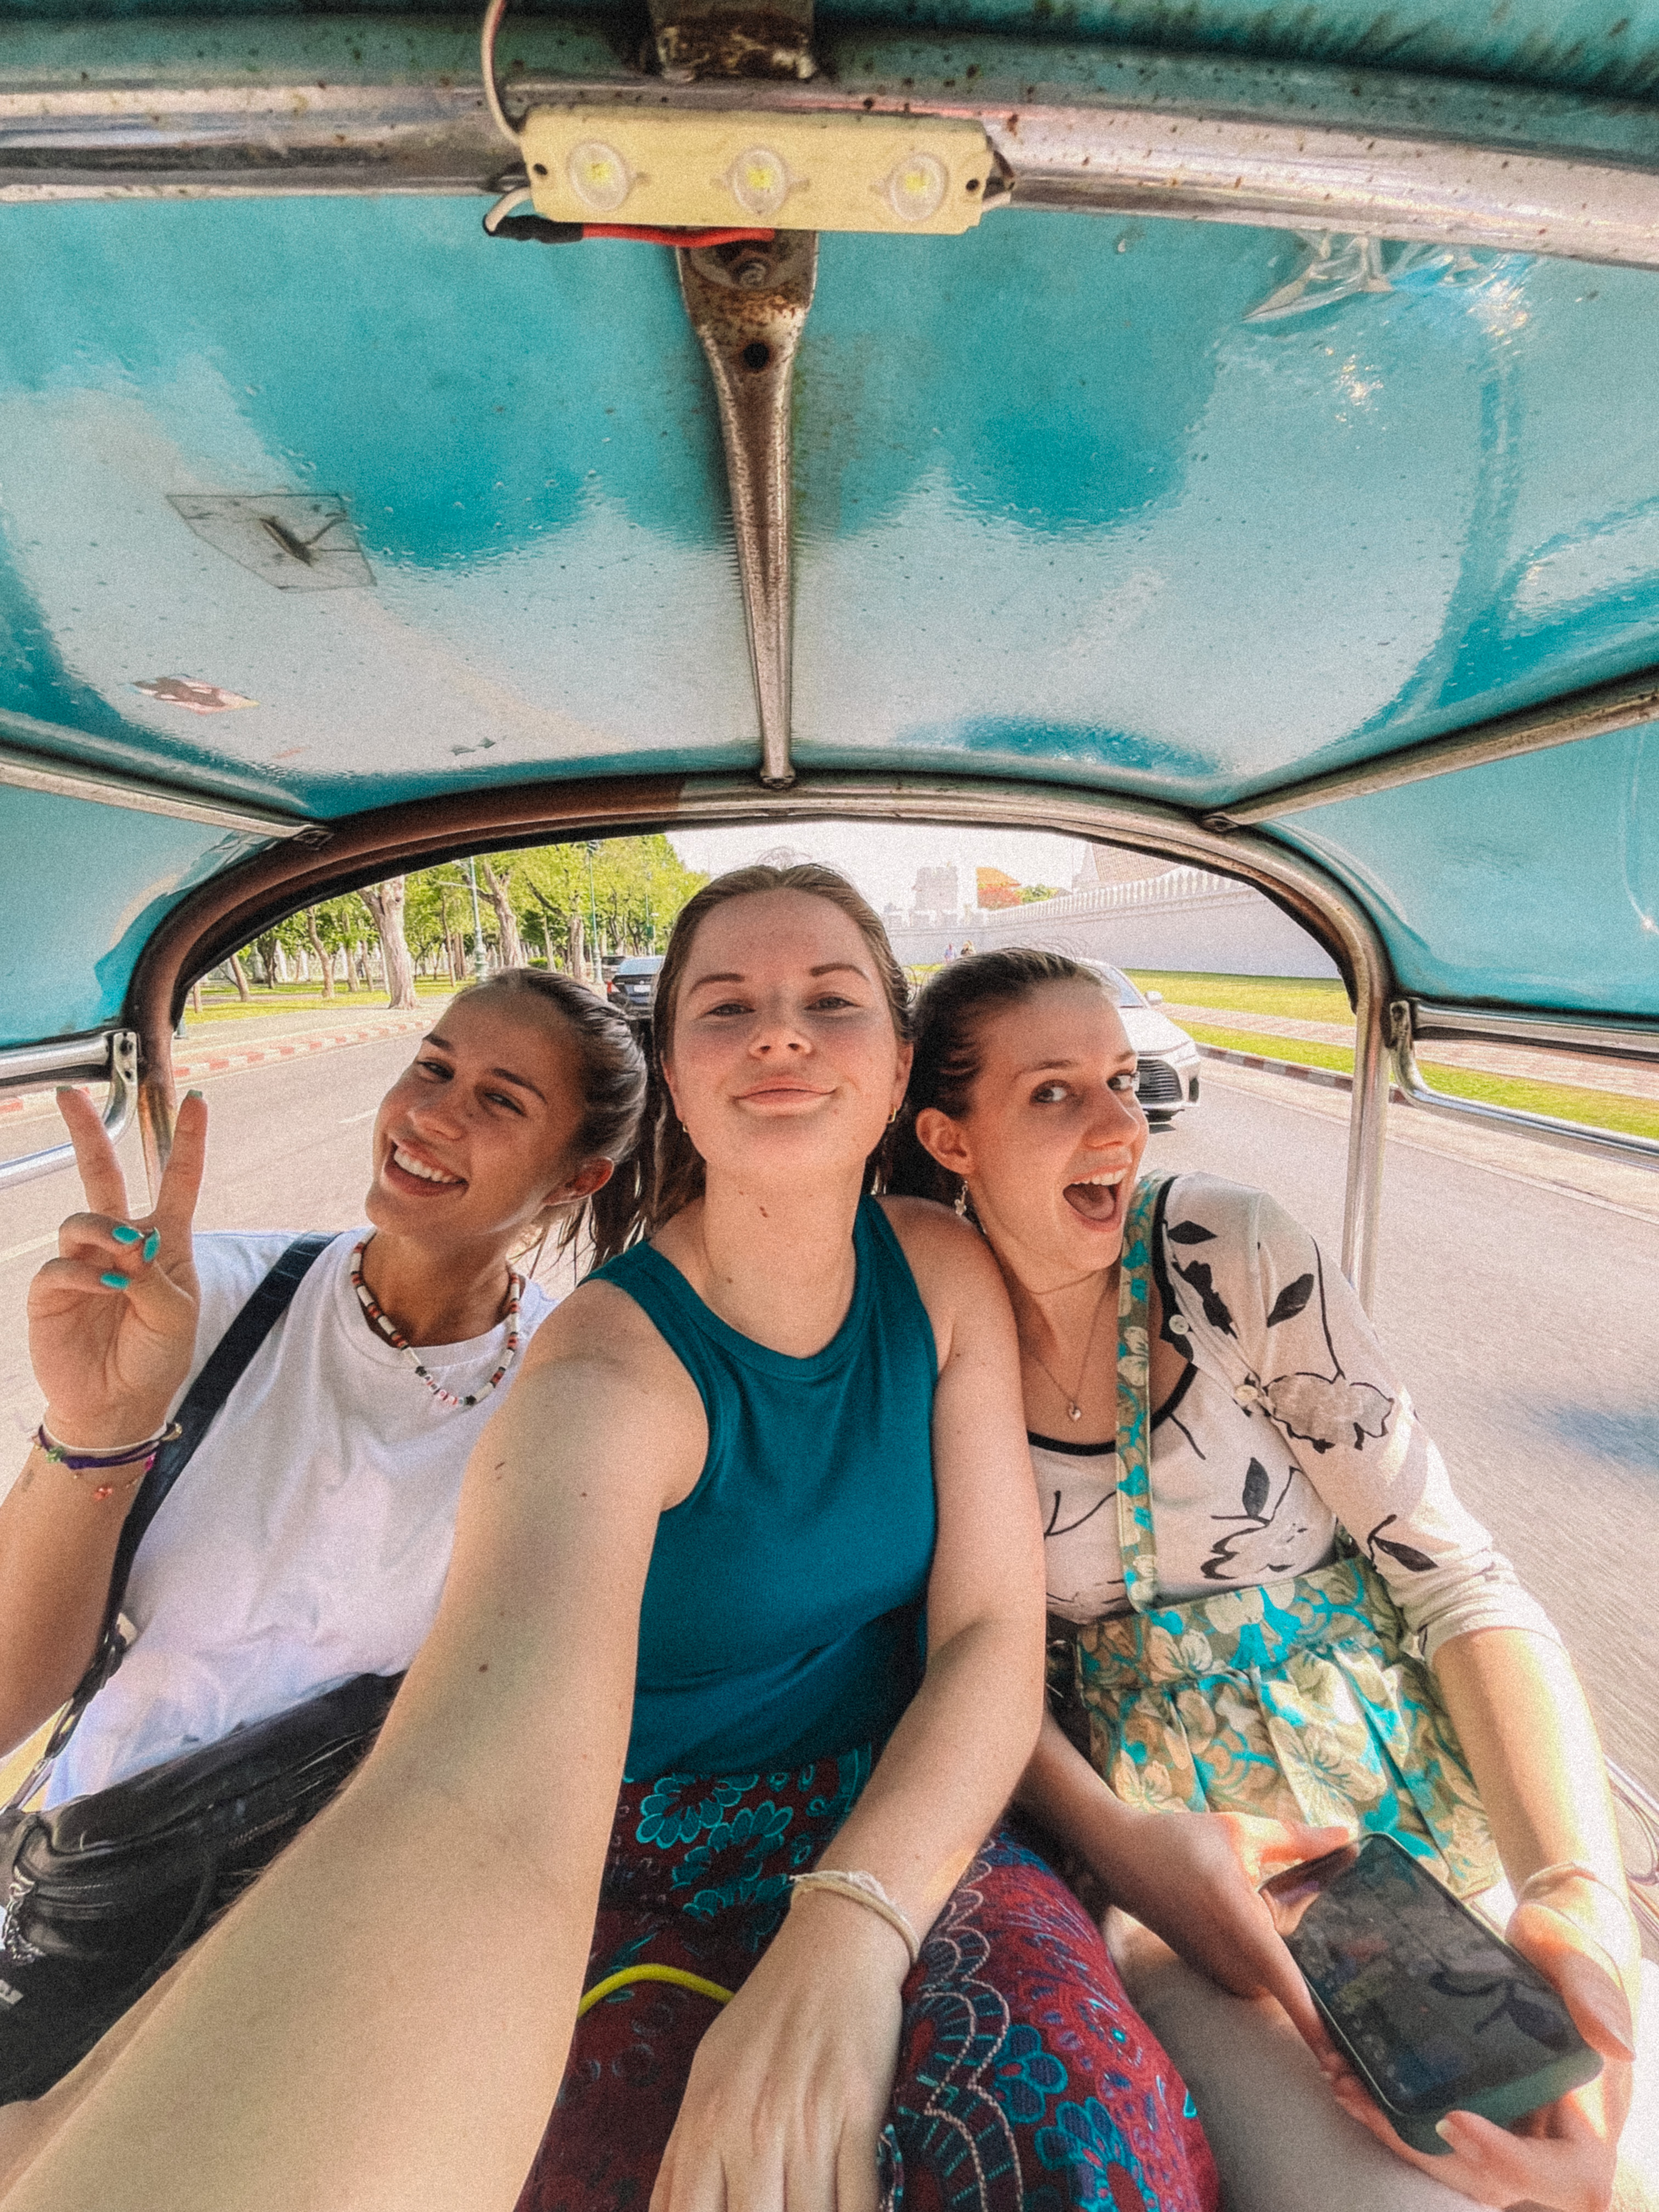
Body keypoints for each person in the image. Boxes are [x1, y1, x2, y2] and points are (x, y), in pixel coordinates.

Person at [0, 869, 1218, 2212]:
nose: (779, 1031)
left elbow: (990, 1634)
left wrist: (852, 1924)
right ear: (680, 1085)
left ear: (893, 1080)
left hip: (915, 1813)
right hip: (633, 1866)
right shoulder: (597, 1371)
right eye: (727, 1007)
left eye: (831, 1000)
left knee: (1080, 2146)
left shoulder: (937, 1273)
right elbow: (483, 1800)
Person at [888, 946, 1652, 2212]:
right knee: (1397, 2194)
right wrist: (1133, 1857)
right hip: (1173, 1865)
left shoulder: (1225, 1251)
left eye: (1125, 1080)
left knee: (1601, 2159)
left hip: (1413, 1804)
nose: (1119, 1120)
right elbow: (971, 1661)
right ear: (947, 1137)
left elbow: (1456, 1577)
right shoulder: (921, 1320)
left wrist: (1574, 1889)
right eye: (1053, 1092)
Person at [0, 968, 645, 2174]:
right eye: (434, 1066)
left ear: (578, 1178)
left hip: (339, 1948)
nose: (430, 1115)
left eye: (500, 1101)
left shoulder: (574, 1400)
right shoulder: (206, 1302)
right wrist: (94, 1424)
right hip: (80, 1904)